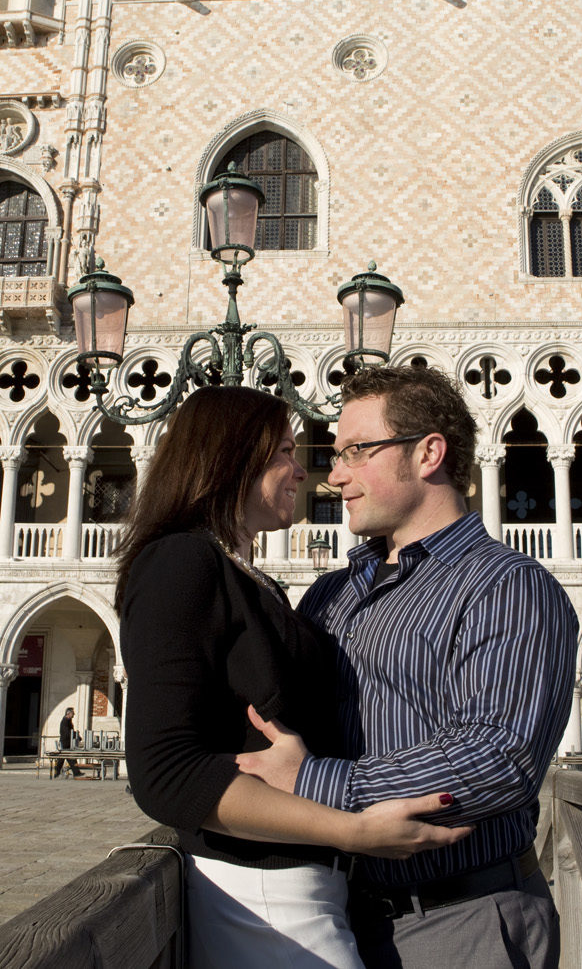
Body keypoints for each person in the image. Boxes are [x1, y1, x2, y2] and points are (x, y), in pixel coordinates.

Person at [237, 366, 578, 968]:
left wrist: (312, 782)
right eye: (334, 454)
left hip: (462, 922)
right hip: (333, 917)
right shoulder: (328, 597)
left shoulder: (508, 587)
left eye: (356, 451)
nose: (334, 475)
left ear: (428, 454)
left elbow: (499, 756)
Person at [121, 385, 473, 969]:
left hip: (311, 886)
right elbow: (164, 774)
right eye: (285, 450)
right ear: (232, 455)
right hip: (263, 898)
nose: (305, 473)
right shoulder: (180, 562)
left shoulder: (249, 579)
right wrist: (350, 830)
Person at [51, 706, 83, 779]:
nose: (74, 714)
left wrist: (76, 735)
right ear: (69, 713)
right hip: (65, 742)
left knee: (66, 757)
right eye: (73, 713)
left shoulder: (68, 721)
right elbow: (67, 732)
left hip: (68, 742)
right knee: (67, 757)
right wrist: (75, 735)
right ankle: (75, 772)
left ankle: (59, 772)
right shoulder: (65, 721)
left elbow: (71, 731)